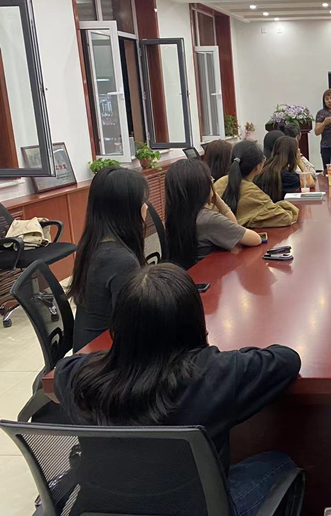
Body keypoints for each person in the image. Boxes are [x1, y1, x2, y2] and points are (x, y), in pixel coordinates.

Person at [54, 264, 301, 516]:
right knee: (278, 462)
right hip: (195, 509)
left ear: (118, 326)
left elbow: (65, 366)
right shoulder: (216, 373)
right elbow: (287, 360)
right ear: (194, 321)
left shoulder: (77, 378)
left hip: (101, 511)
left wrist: (127, 356)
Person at [68, 167, 148, 351]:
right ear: (126, 210)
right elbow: (134, 326)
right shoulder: (120, 259)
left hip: (93, 350)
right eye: (143, 201)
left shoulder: (95, 243)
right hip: (103, 356)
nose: (146, 207)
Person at [165, 158, 262, 269]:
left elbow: (234, 230)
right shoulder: (209, 220)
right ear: (202, 188)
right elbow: (255, 239)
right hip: (210, 274)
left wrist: (217, 200)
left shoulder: (175, 215)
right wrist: (218, 201)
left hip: (188, 273)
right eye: (210, 180)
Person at [213, 140, 299, 228]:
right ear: (258, 167)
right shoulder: (252, 192)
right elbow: (285, 217)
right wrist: (285, 205)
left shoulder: (220, 182)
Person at [255, 136, 301, 203]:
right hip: (280, 208)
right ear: (292, 155)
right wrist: (300, 162)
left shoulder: (264, 168)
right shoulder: (288, 178)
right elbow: (309, 182)